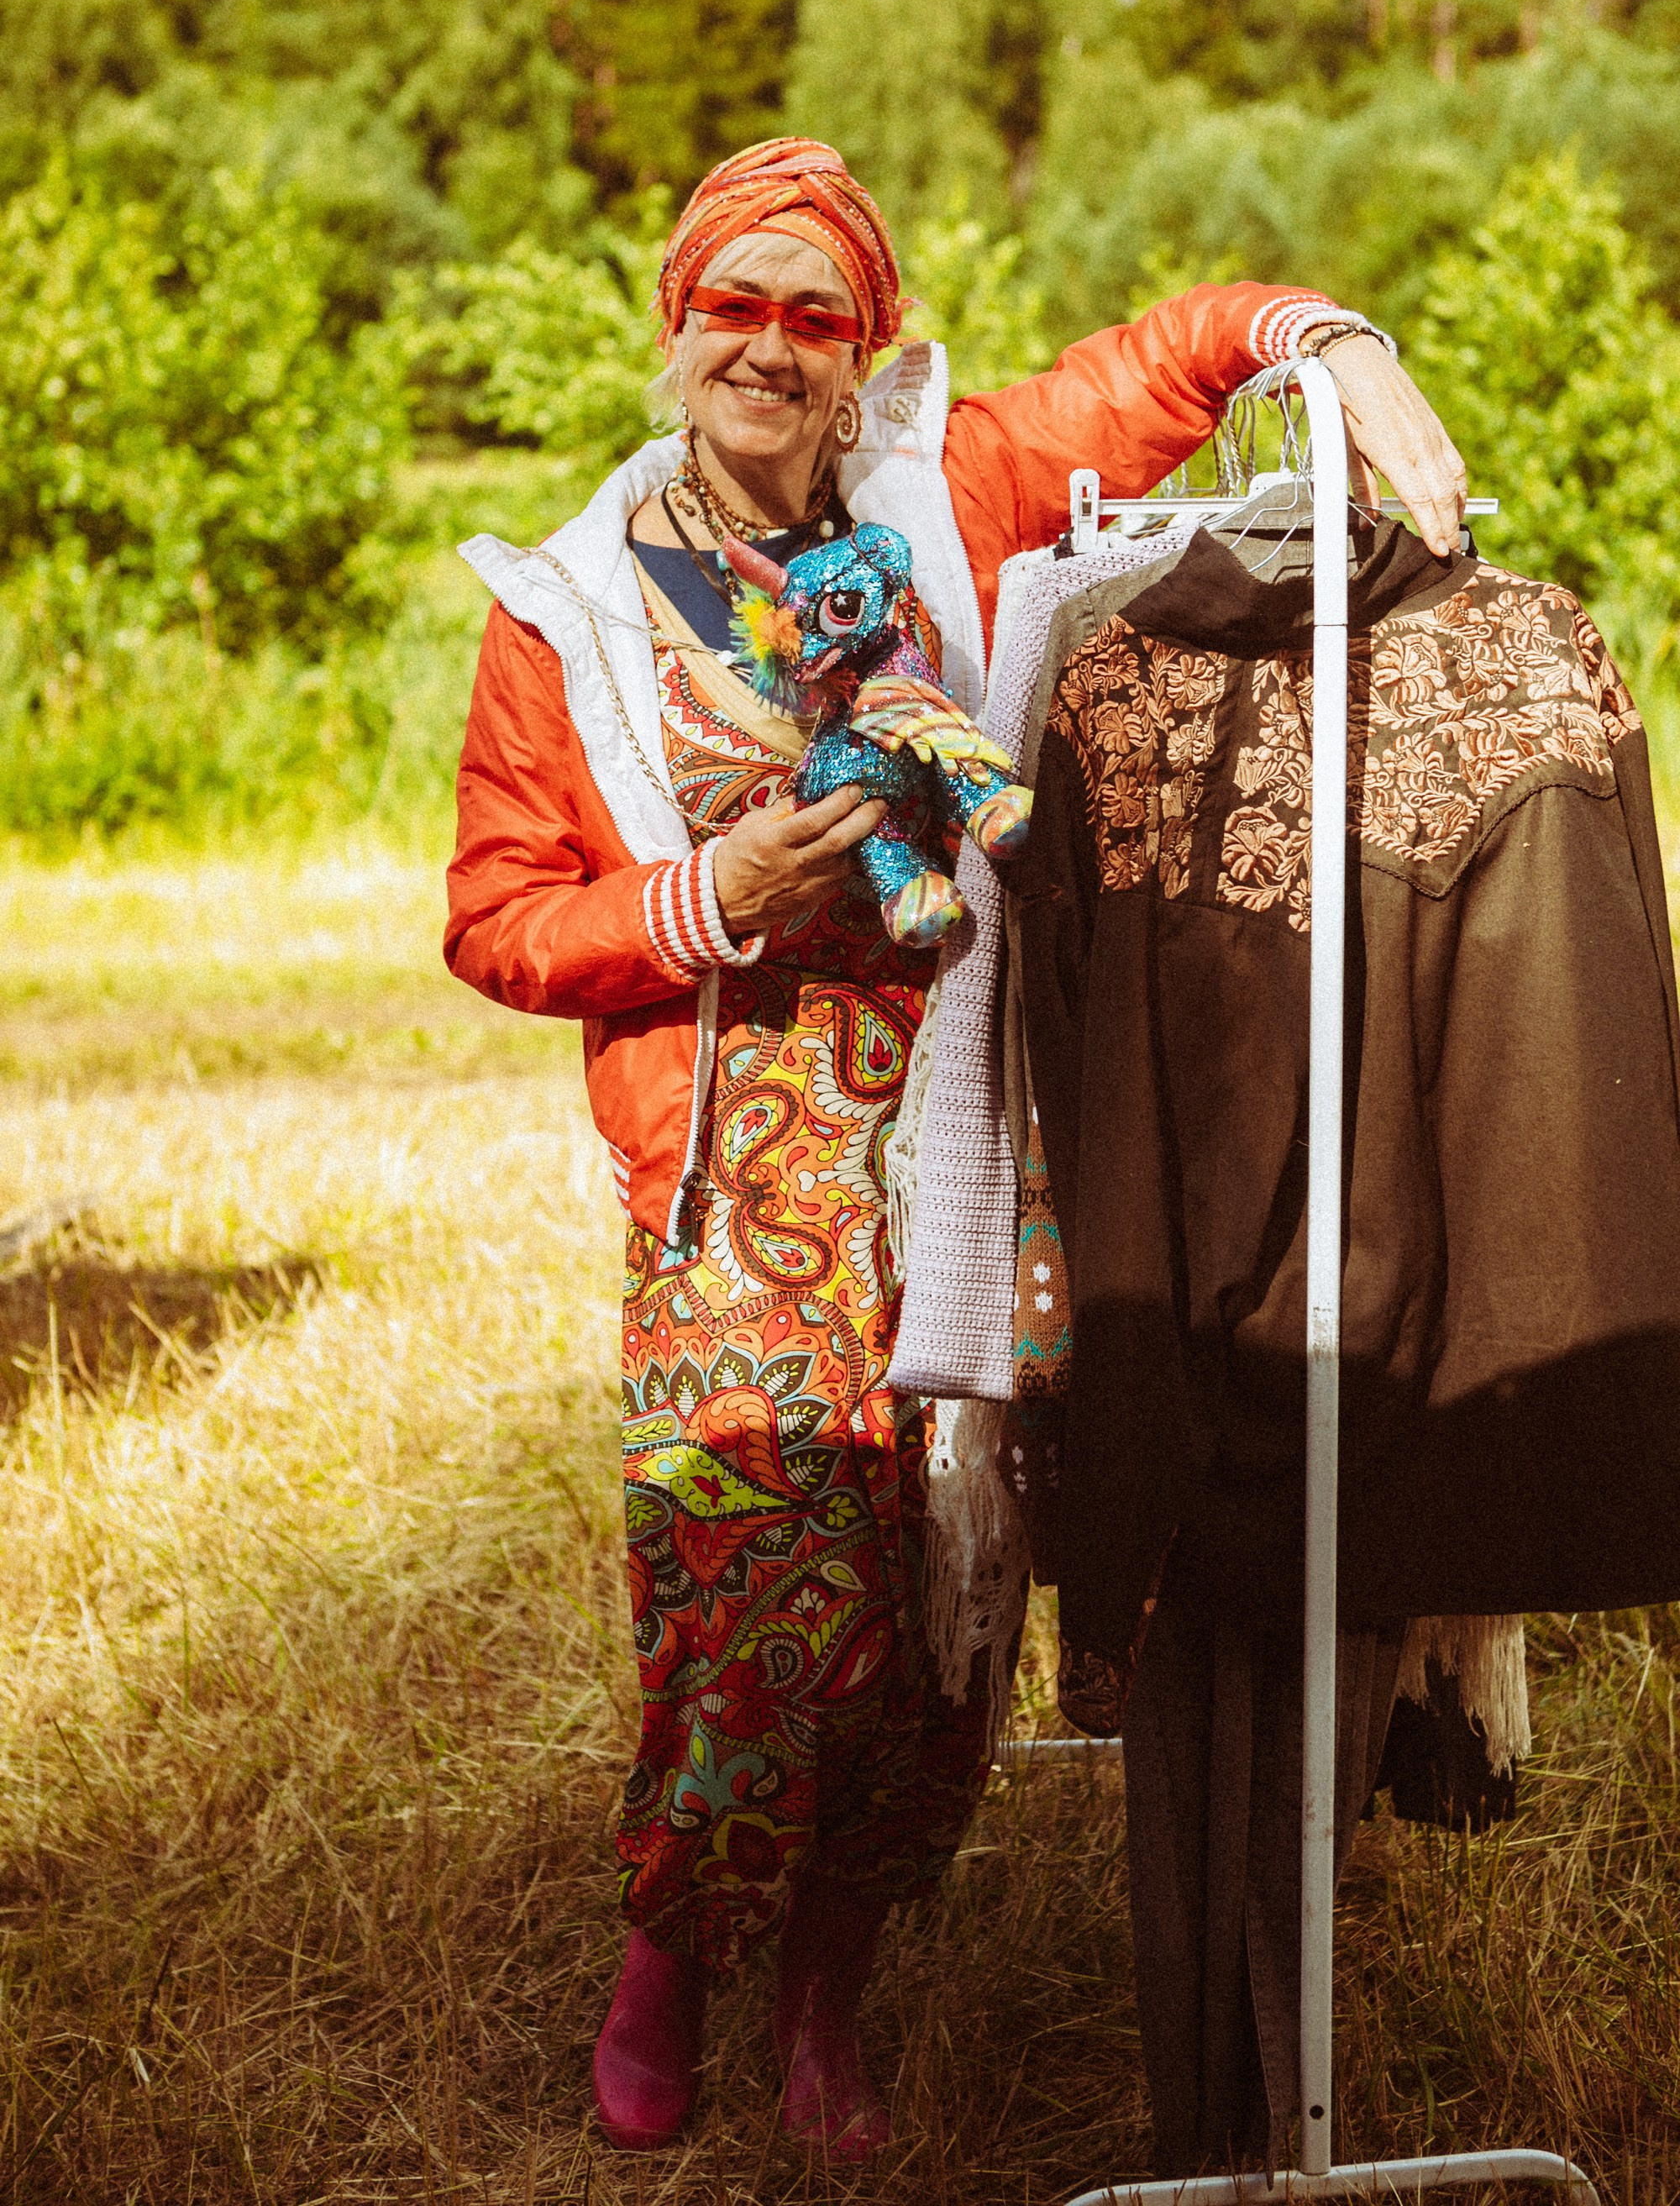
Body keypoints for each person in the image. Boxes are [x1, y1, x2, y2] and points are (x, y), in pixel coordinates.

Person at [443, 136, 1467, 2159]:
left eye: (811, 315)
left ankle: (830, 1985)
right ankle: (676, 1951)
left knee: (941, 1611)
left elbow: (1155, 368)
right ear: (676, 328)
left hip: (972, 1135)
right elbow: (493, 918)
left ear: (862, 350)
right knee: (751, 1590)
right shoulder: (563, 606)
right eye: (731, 304)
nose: (767, 345)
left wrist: (1322, 340)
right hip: (738, 1160)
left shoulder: (947, 496)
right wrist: (708, 894)